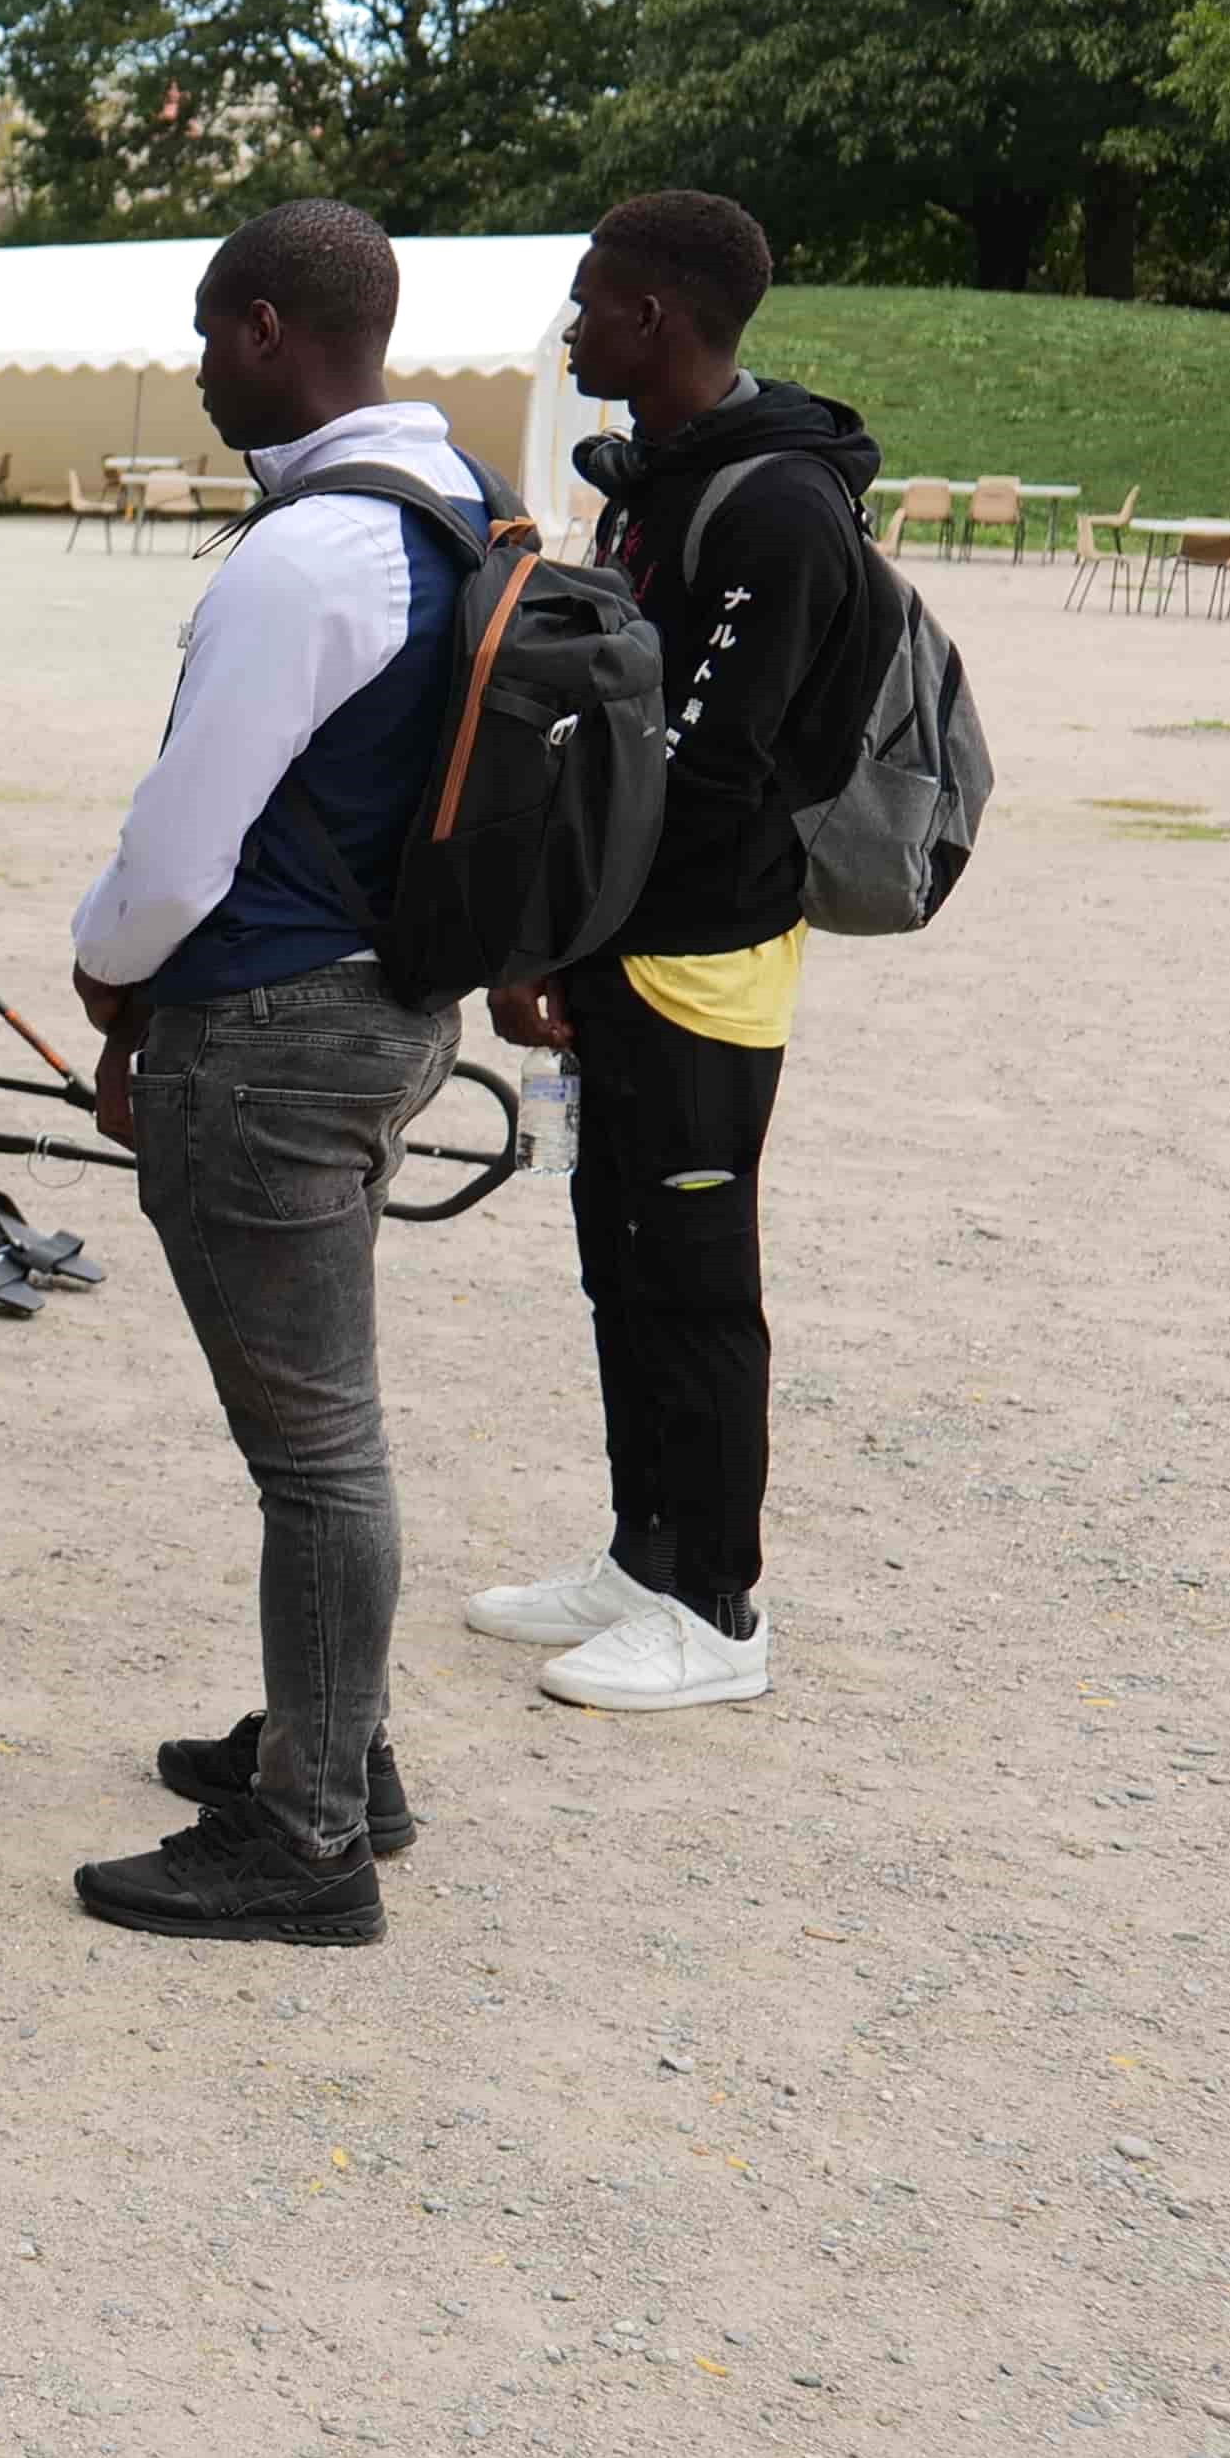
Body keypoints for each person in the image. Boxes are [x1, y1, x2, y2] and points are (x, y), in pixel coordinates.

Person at [62, 201, 488, 1949]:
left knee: (316, 1454)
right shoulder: (458, 505)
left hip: (273, 1025)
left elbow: (181, 853)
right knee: (325, 1433)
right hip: (389, 1005)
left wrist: (107, 980)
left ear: (260, 328)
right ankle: (339, 1744)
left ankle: (313, 1840)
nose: (189, 365)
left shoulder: (309, 553)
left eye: (201, 331)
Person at [473, 190, 886, 1718]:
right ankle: (644, 1555)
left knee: (698, 1284)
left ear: (656, 316)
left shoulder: (773, 506)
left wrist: (571, 948)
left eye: (589, 304)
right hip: (621, 949)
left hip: (699, 961)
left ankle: (718, 1610)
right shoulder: (663, 485)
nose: (573, 328)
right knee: (620, 1263)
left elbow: (707, 778)